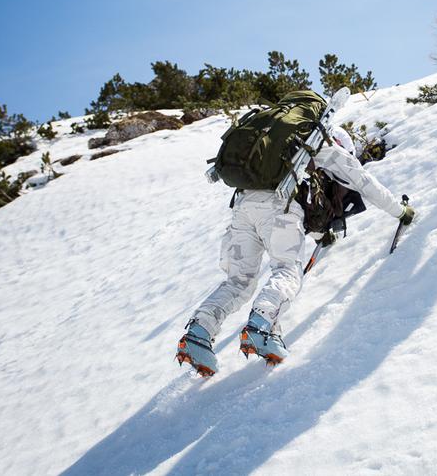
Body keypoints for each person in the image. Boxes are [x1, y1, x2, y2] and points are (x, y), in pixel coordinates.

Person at [177, 124, 414, 376]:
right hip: (279, 206)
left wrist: (321, 236)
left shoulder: (281, 148)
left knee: (238, 282)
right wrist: (400, 212)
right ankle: (260, 328)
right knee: (287, 269)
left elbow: (306, 196)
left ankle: (198, 335)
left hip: (242, 209)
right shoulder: (325, 146)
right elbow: (365, 182)